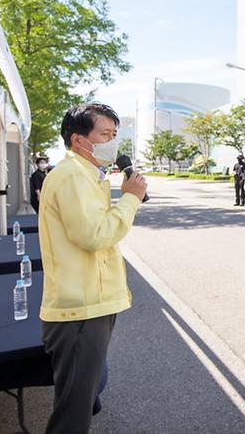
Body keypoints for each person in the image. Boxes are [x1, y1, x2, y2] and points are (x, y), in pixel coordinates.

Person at [38, 103, 147, 434]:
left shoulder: (88, 175)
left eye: (115, 134)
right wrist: (129, 199)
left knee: (84, 396)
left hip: (92, 303)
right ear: (78, 140)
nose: (112, 142)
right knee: (73, 412)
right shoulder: (72, 176)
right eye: (104, 134)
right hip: (79, 310)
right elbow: (95, 234)